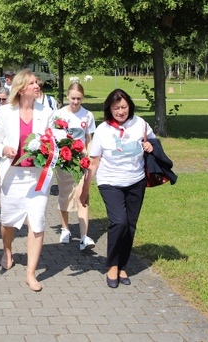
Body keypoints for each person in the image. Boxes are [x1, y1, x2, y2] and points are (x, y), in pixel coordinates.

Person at [80, 89, 154, 289]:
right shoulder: (103, 130)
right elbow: (93, 162)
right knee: (119, 222)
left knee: (130, 225)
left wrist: (150, 147)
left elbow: (153, 144)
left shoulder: (140, 124)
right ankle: (112, 265)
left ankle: (122, 265)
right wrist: (85, 190)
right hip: (110, 182)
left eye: (124, 107)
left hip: (135, 181)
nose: (121, 111)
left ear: (129, 106)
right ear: (109, 109)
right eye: (116, 108)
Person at [0, 69, 55, 291]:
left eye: (38, 83)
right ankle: (7, 249)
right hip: (13, 175)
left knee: (37, 222)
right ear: (20, 88)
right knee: (8, 221)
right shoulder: (6, 112)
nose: (37, 86)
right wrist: (3, 148)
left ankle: (31, 273)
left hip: (37, 177)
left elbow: (53, 140)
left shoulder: (45, 112)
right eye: (32, 83)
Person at [55, 82, 97, 251]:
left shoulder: (88, 115)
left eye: (78, 99)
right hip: (64, 162)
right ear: (67, 96)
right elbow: (54, 137)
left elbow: (89, 138)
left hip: (81, 161)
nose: (75, 102)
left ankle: (84, 236)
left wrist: (89, 156)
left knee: (82, 196)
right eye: (72, 98)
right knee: (65, 195)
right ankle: (65, 228)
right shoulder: (59, 114)